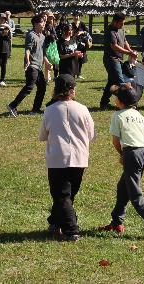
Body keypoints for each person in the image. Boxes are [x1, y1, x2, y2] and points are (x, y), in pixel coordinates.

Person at [97, 84, 144, 237]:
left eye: (116, 97)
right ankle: (116, 222)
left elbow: (116, 141)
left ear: (121, 101)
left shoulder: (118, 116)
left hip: (131, 153)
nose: (114, 99)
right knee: (123, 187)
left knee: (135, 195)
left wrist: (123, 155)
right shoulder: (139, 115)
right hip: (143, 152)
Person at [40, 74, 96, 241]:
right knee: (67, 195)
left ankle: (71, 229)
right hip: (79, 157)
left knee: (62, 195)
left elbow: (43, 135)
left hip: (58, 158)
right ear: (72, 90)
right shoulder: (83, 109)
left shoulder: (50, 110)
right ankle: (55, 222)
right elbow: (92, 135)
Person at [8, 16, 52, 116]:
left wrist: (47, 63)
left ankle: (35, 109)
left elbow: (43, 53)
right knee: (29, 87)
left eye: (44, 22)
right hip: (32, 66)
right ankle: (13, 105)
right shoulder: (31, 35)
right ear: (36, 24)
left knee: (42, 87)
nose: (44, 23)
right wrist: (27, 60)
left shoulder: (43, 36)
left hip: (39, 67)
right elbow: (27, 50)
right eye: (42, 22)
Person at [100, 13, 138, 110]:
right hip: (111, 59)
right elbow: (114, 46)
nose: (122, 25)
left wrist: (130, 51)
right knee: (121, 82)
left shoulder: (121, 28)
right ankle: (127, 103)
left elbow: (125, 41)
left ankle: (104, 103)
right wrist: (128, 52)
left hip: (119, 59)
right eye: (121, 23)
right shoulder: (109, 30)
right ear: (115, 22)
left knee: (112, 82)